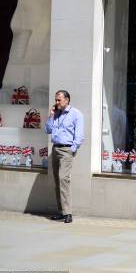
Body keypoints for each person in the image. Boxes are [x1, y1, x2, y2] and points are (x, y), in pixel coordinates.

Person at [44, 90, 85, 224]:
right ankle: (61, 211)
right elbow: (48, 130)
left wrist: (72, 149)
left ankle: (68, 213)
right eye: (56, 100)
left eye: (59, 100)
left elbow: (79, 136)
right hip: (55, 148)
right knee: (57, 180)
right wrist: (51, 116)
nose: (56, 102)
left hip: (67, 150)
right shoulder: (56, 114)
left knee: (63, 179)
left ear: (67, 100)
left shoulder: (76, 114)